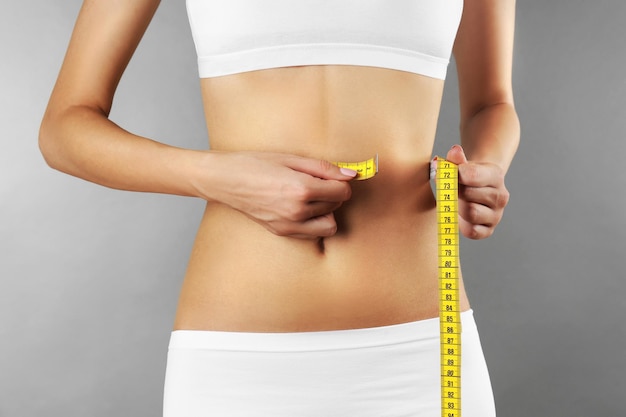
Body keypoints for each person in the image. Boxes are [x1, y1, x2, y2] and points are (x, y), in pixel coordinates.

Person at [39, 0, 519, 416]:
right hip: (238, 361)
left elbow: (492, 103)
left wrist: (485, 169)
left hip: (426, 352)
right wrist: (219, 177)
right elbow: (64, 129)